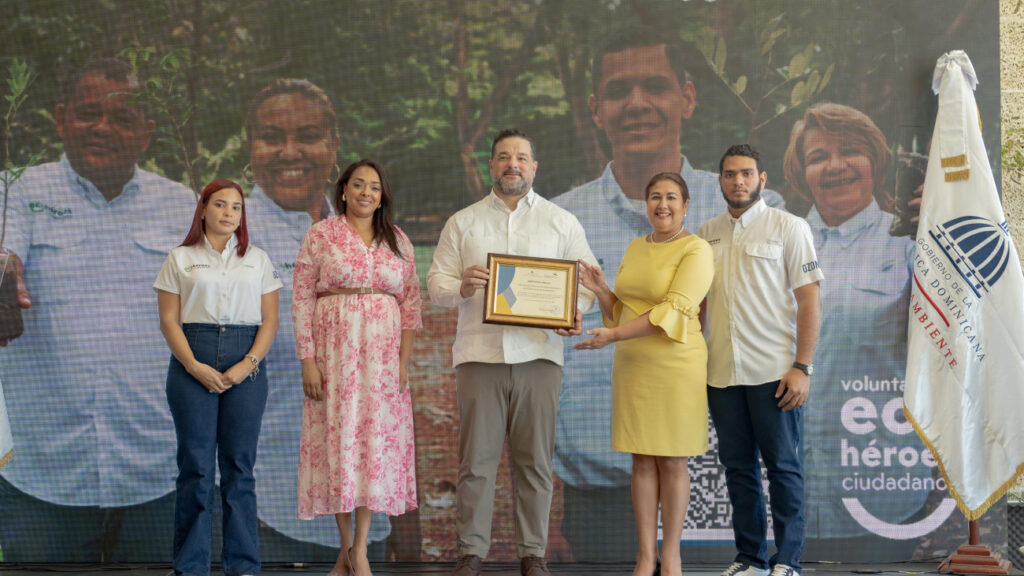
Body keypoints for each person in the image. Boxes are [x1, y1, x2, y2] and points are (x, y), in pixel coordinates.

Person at [550, 29, 785, 561]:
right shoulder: (563, 220)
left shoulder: (745, 211)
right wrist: (594, 297)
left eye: (654, 86)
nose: (636, 104)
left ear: (687, 96)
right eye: (618, 91)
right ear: (595, 109)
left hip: (716, 476)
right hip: (598, 485)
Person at [0, 58, 196, 561]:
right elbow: (5, 249)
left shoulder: (183, 206)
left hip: (159, 472)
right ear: (62, 118)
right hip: (43, 478)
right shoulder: (16, 193)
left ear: (148, 132)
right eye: (89, 114)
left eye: (123, 118)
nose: (103, 128)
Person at [243, 79, 402, 564]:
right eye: (272, 136)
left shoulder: (376, 235)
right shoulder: (231, 234)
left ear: (333, 145)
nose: (290, 151)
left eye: (308, 135)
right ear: (251, 148)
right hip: (269, 509)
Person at [427, 129, 597, 576]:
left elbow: (586, 285)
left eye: (521, 157)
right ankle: (471, 552)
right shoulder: (462, 222)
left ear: (535, 166)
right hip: (479, 357)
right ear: (491, 166)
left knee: (535, 462)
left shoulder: (562, 222)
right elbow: (435, 286)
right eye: (504, 157)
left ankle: (532, 554)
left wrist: (572, 312)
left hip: (540, 357)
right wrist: (460, 286)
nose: (512, 164)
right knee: (476, 462)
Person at [782, 103, 928, 559]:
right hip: (785, 493)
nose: (836, 165)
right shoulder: (774, 248)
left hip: (881, 486)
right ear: (801, 173)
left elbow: (961, 334)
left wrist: (948, 239)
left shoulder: (910, 239)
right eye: (818, 156)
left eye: (850, 151)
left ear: (876, 161)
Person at [573, 172, 713, 576]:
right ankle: (644, 556)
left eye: (671, 197)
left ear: (686, 206)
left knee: (671, 460)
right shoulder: (636, 247)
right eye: (654, 197)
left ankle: (671, 556)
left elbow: (674, 310)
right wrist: (602, 290)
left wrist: (614, 335)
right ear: (645, 204)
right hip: (634, 364)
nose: (662, 204)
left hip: (675, 366)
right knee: (641, 460)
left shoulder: (697, 249)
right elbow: (624, 311)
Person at [697, 144, 822, 576]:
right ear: (720, 181)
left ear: (762, 179)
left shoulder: (789, 227)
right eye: (730, 174)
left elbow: (809, 300)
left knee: (783, 468)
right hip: (720, 374)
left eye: (747, 173)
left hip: (775, 373)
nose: (738, 181)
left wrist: (802, 366)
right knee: (737, 469)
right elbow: (697, 306)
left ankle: (787, 561)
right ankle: (749, 558)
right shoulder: (704, 234)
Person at [293, 159, 422, 576]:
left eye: (376, 188)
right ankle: (346, 547)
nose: (367, 193)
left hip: (382, 365)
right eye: (359, 185)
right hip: (334, 360)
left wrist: (403, 364)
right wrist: (308, 360)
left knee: (372, 450)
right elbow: (300, 300)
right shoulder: (320, 235)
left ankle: (360, 550)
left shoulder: (399, 240)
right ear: (343, 190)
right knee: (339, 444)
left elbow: (411, 308)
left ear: (383, 195)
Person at [155, 178, 281, 576]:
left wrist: (248, 364)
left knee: (239, 469)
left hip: (247, 363)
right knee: (195, 469)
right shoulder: (180, 258)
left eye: (237, 208)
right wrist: (194, 366)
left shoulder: (257, 259)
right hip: (193, 361)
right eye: (221, 205)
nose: (229, 213)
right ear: (204, 209)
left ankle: (243, 566)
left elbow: (271, 320)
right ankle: (190, 567)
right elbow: (169, 320)